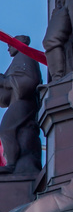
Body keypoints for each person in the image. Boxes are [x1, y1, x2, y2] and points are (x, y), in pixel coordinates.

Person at [0, 35, 42, 174]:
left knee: (7, 128)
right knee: (14, 130)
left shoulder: (25, 56)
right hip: (18, 101)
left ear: (19, 44)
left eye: (10, 45)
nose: (8, 49)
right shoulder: (18, 60)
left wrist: (4, 81)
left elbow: (29, 81)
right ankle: (15, 163)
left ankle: (12, 164)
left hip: (24, 101)